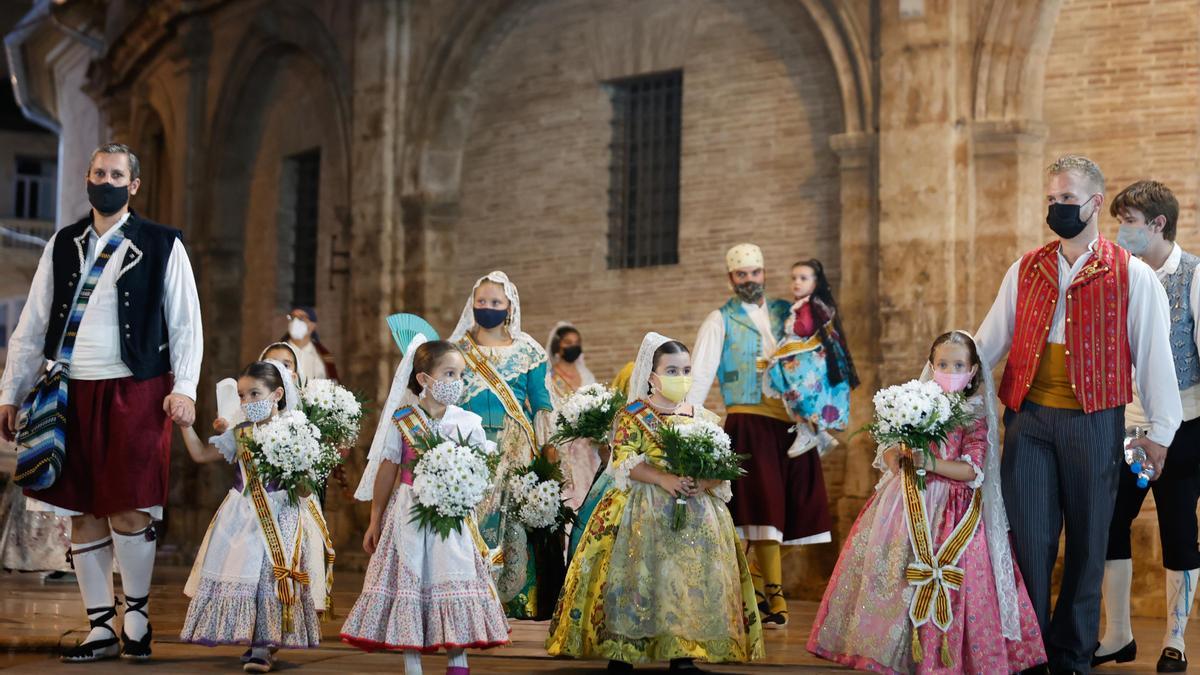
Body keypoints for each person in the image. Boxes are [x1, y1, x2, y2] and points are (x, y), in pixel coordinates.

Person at [975, 154, 1182, 673]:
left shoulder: (1131, 273)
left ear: (1093, 202)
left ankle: (1071, 655)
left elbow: (1156, 356)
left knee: (1089, 542)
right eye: (1051, 199)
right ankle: (1028, 651)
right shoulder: (1025, 268)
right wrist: (937, 396)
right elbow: (985, 345)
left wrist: (1160, 432)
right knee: (1029, 539)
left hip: (1095, 421)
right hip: (1029, 420)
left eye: (1066, 199)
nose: (1057, 207)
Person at [0, 143, 203, 662]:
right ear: (88, 178)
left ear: (133, 185)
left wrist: (185, 388)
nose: (105, 181)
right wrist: (11, 390)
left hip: (137, 388)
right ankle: (100, 627)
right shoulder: (63, 243)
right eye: (98, 172)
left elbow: (184, 322)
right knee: (82, 511)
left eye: (116, 174)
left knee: (131, 505)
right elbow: (32, 322)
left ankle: (136, 618)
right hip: (68, 389)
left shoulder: (162, 243)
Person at [808, 331, 1045, 673]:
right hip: (905, 505)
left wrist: (930, 463)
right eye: (943, 364)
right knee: (896, 574)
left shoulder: (975, 414)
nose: (950, 370)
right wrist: (896, 457)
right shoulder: (914, 400)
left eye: (959, 364)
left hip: (954, 509)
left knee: (961, 582)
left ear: (973, 370)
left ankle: (945, 654)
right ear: (931, 366)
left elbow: (972, 469)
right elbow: (890, 446)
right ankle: (892, 651)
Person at [546, 333, 764, 672]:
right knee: (636, 575)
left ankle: (684, 650)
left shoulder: (702, 418)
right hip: (640, 508)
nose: (681, 378)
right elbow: (622, 460)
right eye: (672, 371)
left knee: (686, 579)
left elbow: (723, 468)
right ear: (652, 376)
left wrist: (702, 481)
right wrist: (663, 479)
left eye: (686, 370)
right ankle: (624, 649)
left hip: (694, 510)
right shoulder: (632, 415)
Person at [341, 337, 509, 674]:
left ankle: (458, 661)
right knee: (410, 583)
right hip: (408, 513)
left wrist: (468, 492)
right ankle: (412, 664)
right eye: (448, 374)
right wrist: (375, 519)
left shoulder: (468, 422)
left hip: (452, 517)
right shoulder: (402, 421)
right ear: (423, 379)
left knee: (453, 578)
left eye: (460, 375)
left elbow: (482, 473)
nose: (455, 383)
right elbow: (388, 470)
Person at [687, 243, 832, 629]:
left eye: (755, 272)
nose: (749, 280)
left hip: (790, 422)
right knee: (763, 508)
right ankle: (774, 594)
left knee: (790, 507)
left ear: (764, 273)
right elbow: (700, 374)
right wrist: (683, 422)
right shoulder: (719, 320)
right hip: (748, 421)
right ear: (730, 278)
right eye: (741, 274)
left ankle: (758, 585)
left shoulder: (791, 311)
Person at [1094, 180, 1200, 673]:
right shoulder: (1122, 277)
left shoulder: (1194, 276)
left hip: (1185, 427)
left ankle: (1175, 638)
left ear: (1158, 224)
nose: (1121, 231)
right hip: (1128, 426)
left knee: (1179, 531)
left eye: (1129, 221)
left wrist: (1178, 434)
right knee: (1111, 522)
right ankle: (1117, 634)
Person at [177, 360, 329, 673]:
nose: (246, 402)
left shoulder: (296, 431)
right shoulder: (241, 432)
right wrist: (183, 424)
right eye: (242, 396)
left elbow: (303, 490)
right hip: (242, 516)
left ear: (277, 394)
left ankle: (264, 645)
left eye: (254, 394)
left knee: (268, 577)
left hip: (280, 514)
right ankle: (251, 638)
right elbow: (201, 455)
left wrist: (295, 463)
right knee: (245, 575)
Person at [448, 271, 556, 619]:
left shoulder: (529, 350)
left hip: (515, 446)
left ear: (509, 307)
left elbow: (541, 405)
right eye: (482, 302)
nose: (488, 308)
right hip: (468, 444)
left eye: (495, 302)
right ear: (472, 304)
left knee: (513, 518)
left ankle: (514, 598)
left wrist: (548, 450)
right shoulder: (457, 350)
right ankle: (467, 593)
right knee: (472, 517)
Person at [765, 258, 858, 456]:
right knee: (794, 392)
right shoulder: (810, 304)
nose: (797, 282)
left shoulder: (808, 305)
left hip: (807, 361)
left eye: (803, 278)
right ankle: (819, 433)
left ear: (815, 283)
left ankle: (807, 431)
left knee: (789, 385)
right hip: (807, 356)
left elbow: (804, 328)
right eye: (794, 278)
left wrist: (796, 322)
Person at [545, 322, 601, 510]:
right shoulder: (549, 377)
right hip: (563, 445)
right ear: (558, 346)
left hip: (587, 445)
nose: (573, 346)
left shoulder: (587, 375)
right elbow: (549, 412)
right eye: (568, 342)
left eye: (577, 342)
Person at [282, 306, 338, 382]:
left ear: (312, 325)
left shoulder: (323, 355)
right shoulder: (278, 351)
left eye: (301, 318)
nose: (295, 321)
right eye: (292, 317)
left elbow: (334, 385)